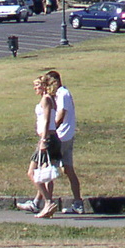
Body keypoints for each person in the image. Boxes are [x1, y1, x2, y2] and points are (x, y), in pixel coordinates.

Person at [18, 73, 62, 217]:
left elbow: (47, 120)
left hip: (47, 139)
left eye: (37, 85)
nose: (34, 88)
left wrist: (43, 140)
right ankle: (46, 206)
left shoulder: (46, 99)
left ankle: (48, 203)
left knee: (33, 173)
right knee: (46, 175)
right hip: (50, 137)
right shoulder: (49, 99)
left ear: (43, 86)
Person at [43, 69, 85, 214]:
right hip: (67, 136)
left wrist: (49, 130)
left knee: (49, 170)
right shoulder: (63, 94)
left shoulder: (63, 94)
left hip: (61, 137)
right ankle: (78, 202)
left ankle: (45, 202)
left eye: (48, 84)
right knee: (67, 169)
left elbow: (60, 115)